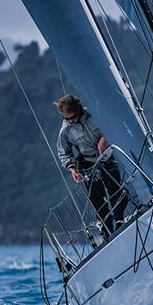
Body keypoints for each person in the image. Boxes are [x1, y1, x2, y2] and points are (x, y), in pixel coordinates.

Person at [56, 94, 127, 237]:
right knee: (97, 200)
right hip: (87, 164)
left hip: (106, 157)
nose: (70, 120)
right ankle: (107, 232)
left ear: (78, 109)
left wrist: (104, 138)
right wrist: (72, 169)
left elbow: (111, 124)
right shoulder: (65, 130)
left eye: (73, 117)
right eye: (66, 118)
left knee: (116, 190)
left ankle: (119, 221)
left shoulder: (94, 114)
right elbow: (64, 152)